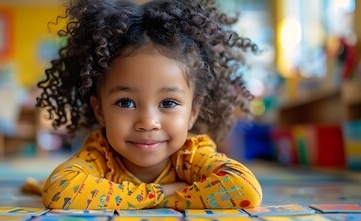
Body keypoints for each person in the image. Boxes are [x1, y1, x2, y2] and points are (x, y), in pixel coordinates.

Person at [36, 0, 262, 210]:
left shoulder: (190, 154)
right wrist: (163, 195)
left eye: (168, 102)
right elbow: (58, 191)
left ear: (193, 111)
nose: (148, 122)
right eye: (125, 102)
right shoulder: (100, 153)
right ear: (100, 110)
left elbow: (246, 188)